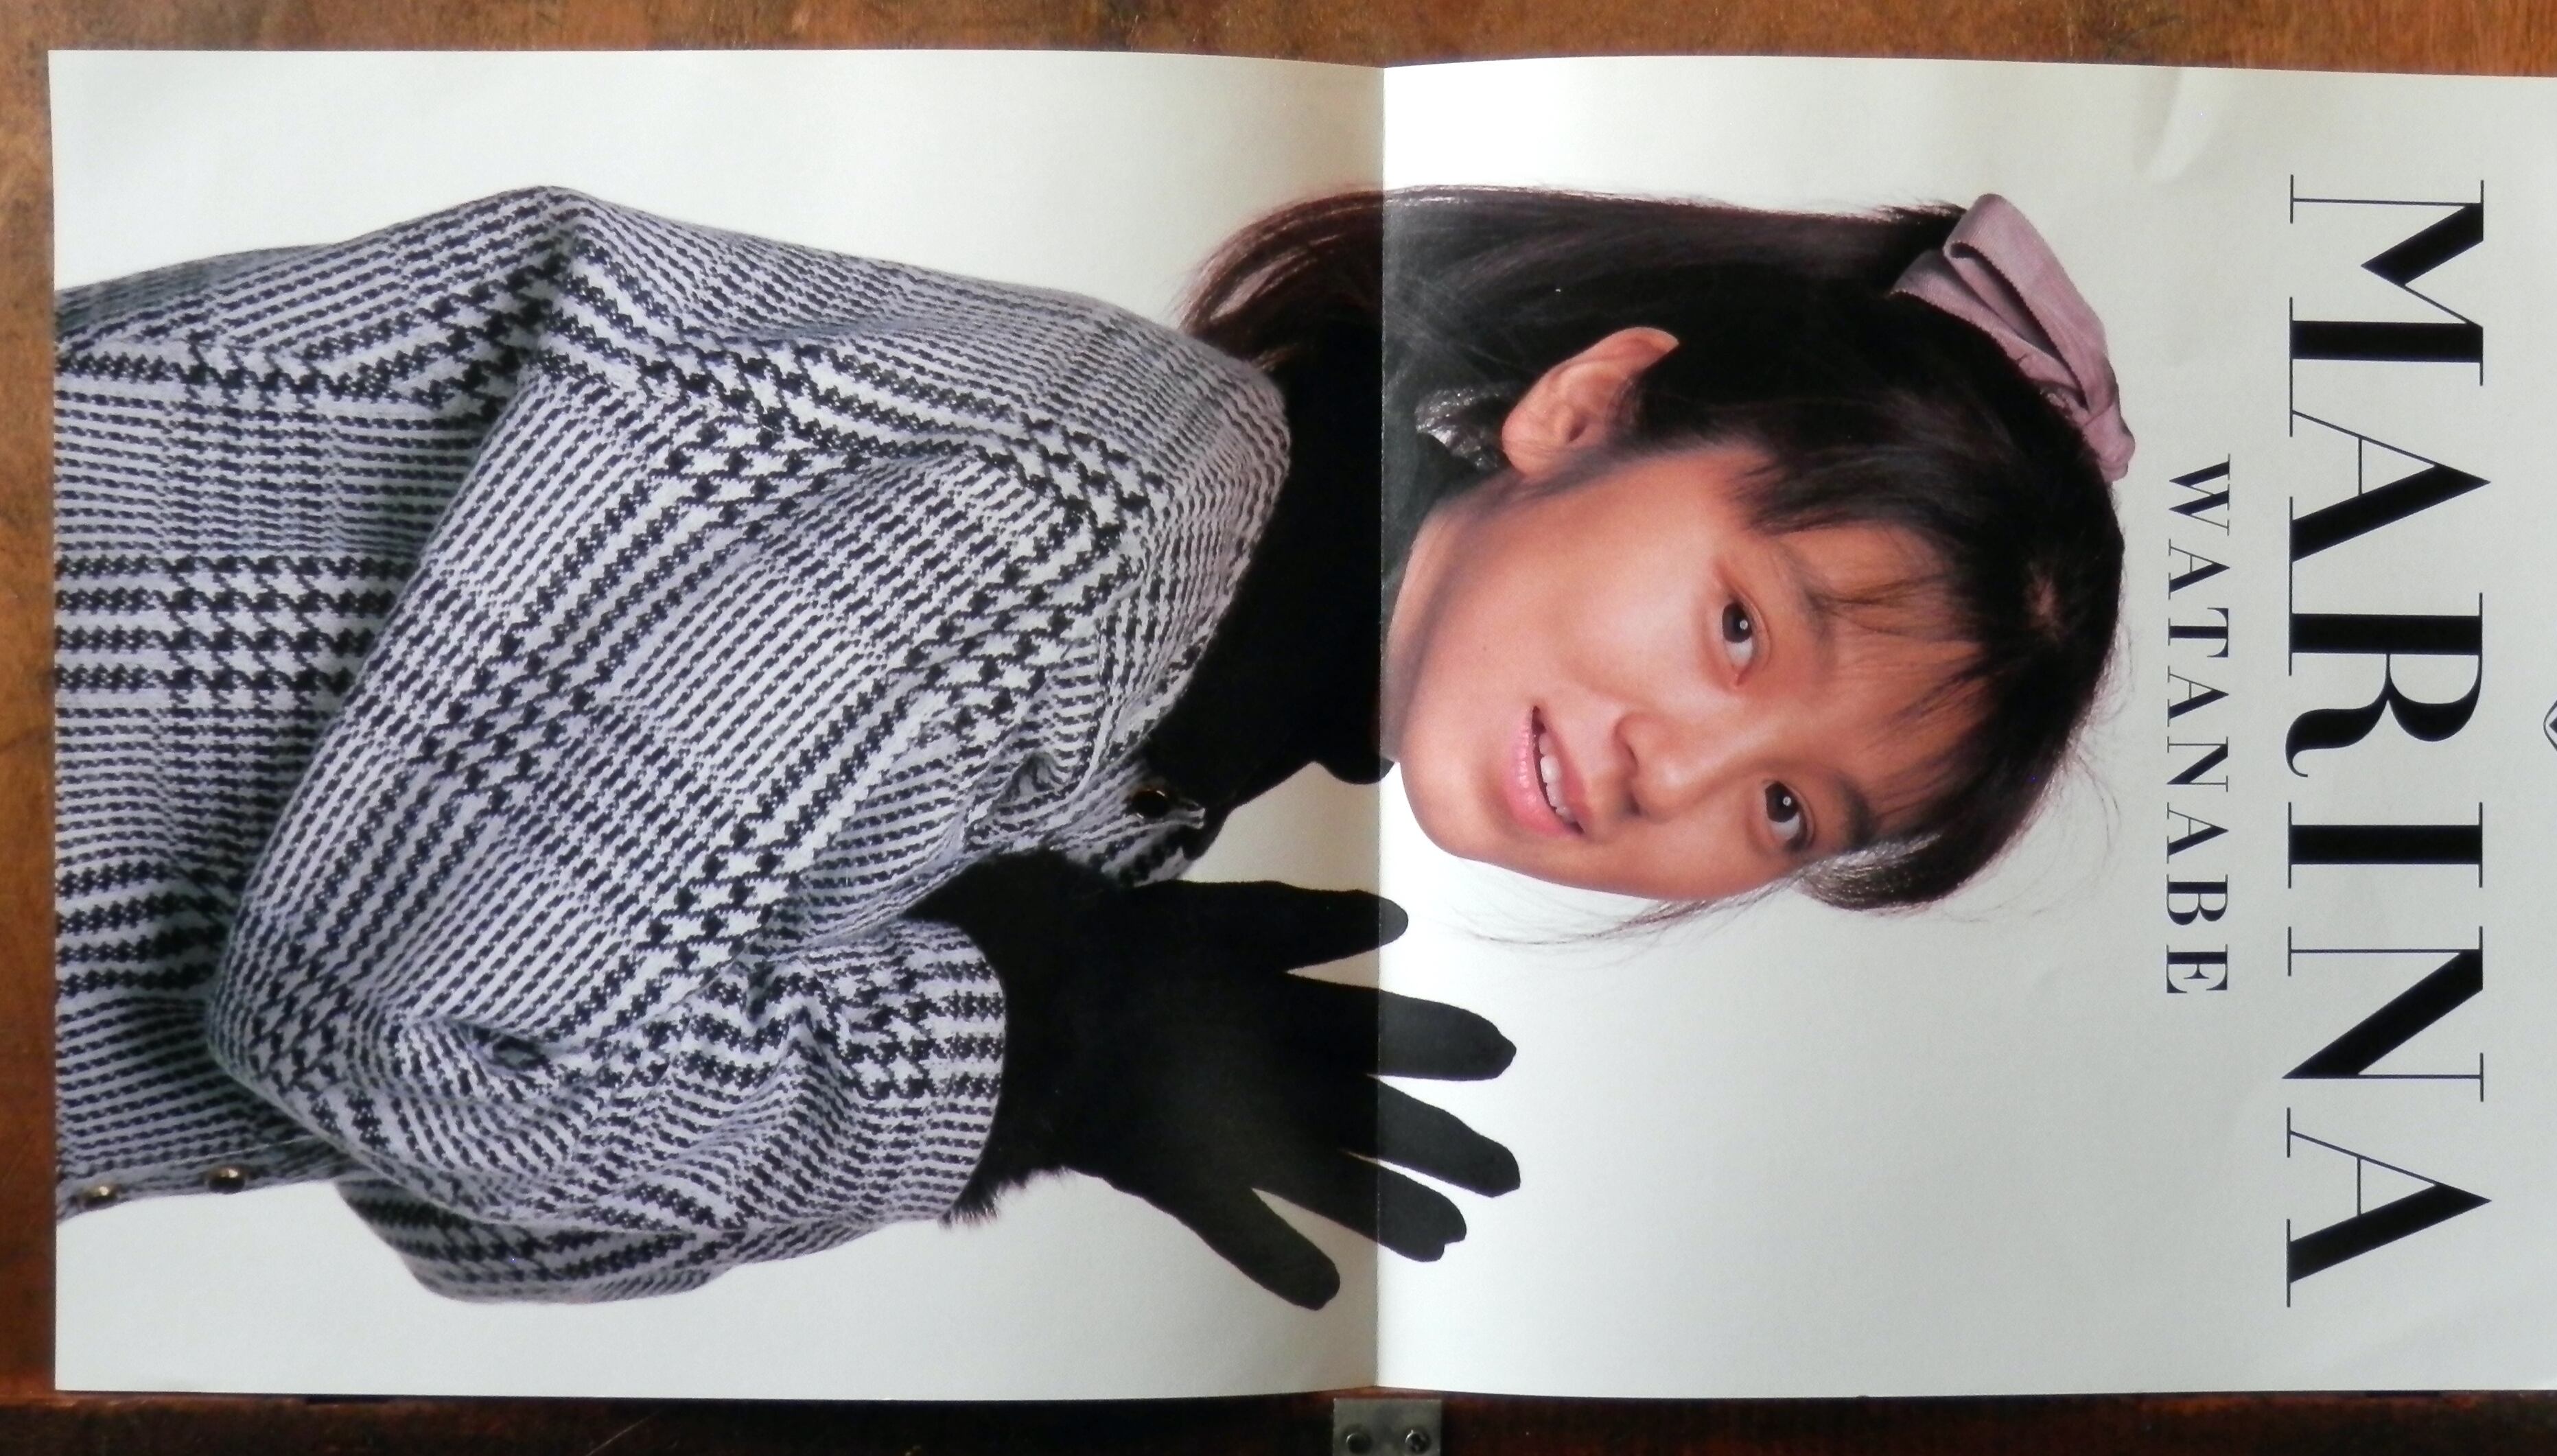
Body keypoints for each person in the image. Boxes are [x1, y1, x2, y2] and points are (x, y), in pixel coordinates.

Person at [53, 183, 2127, 1308]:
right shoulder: (1108, 506)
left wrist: (1021, 1047)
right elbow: (400, 1042)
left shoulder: (1160, 763)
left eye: (1791, 807)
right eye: (1742, 627)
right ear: (1588, 409)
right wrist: (1023, 1053)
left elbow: (471, 1207)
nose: (1678, 772)